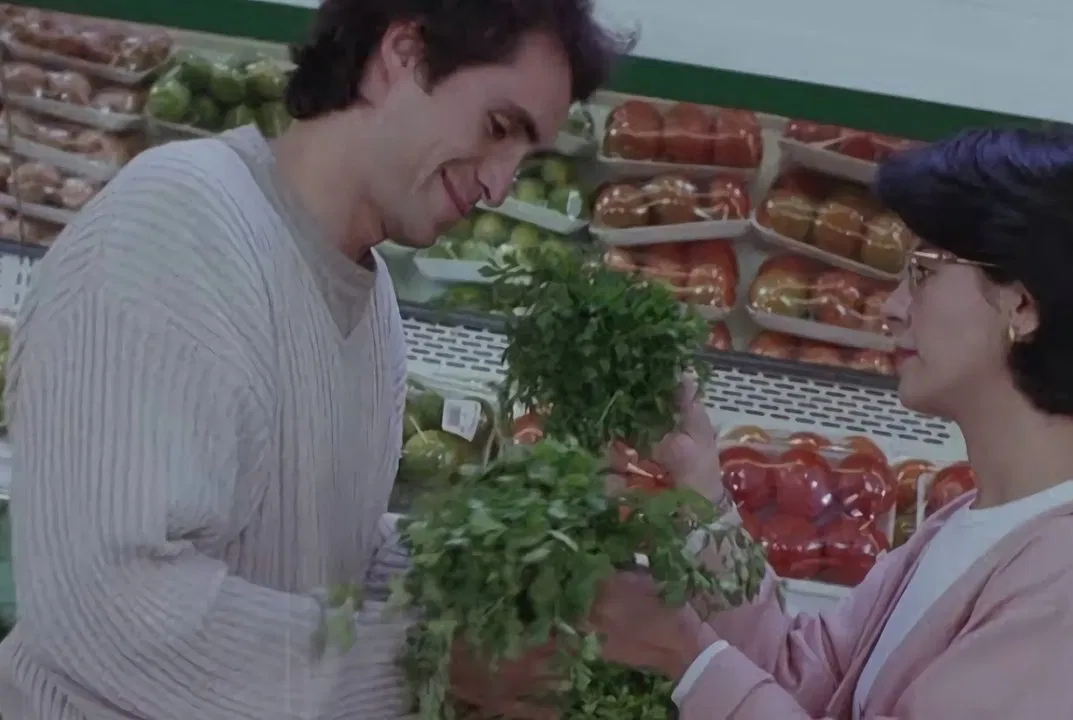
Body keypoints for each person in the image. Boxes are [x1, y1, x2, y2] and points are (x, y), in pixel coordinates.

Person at [0, 1, 626, 718]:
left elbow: (322, 558)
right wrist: (438, 662)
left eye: (525, 157)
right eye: (498, 127)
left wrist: (491, 573)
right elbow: (108, 608)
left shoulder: (370, 300)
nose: (499, 186)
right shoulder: (175, 228)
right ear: (403, 55)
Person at [595, 127, 1073, 719]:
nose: (891, 307)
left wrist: (687, 656)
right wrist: (698, 483)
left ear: (1023, 306)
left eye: (924, 271)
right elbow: (800, 675)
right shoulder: (969, 521)